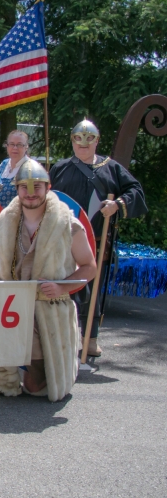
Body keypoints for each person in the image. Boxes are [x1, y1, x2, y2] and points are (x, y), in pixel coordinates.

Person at [0, 159, 97, 401]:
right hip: (11, 304)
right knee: (2, 366)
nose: (30, 194)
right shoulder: (4, 223)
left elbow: (90, 266)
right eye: (24, 188)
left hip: (48, 306)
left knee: (37, 388)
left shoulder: (68, 225)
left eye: (37, 187)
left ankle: (33, 374)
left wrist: (62, 286)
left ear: (47, 187)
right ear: (17, 189)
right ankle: (1, 378)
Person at [49, 119, 147, 357]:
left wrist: (117, 204)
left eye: (89, 138)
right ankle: (61, 337)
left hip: (97, 242)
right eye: (78, 139)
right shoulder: (60, 168)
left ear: (97, 141)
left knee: (91, 289)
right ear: (72, 141)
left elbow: (136, 191)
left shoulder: (111, 168)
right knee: (62, 286)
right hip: (63, 241)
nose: (83, 143)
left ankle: (90, 339)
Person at [0, 130, 31, 207]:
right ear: (7, 146)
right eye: (12, 144)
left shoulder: (30, 168)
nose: (15, 148)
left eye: (19, 145)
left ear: (26, 147)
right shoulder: (3, 164)